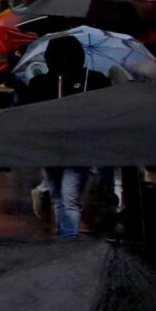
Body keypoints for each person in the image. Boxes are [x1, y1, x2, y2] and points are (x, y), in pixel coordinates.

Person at [22, 33, 101, 238]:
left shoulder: (40, 83)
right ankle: (66, 237)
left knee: (63, 196)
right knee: (67, 197)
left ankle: (65, 237)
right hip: (76, 147)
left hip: (54, 148)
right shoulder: (92, 80)